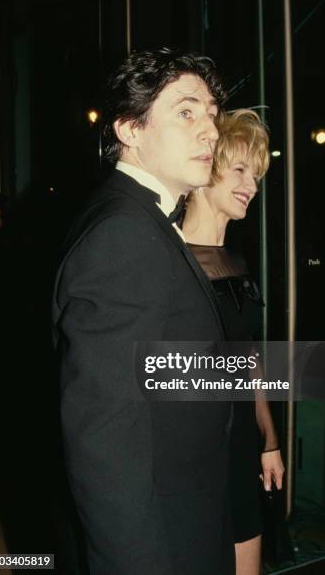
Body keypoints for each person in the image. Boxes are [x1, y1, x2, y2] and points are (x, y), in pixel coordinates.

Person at [52, 48, 235, 575]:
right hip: (158, 535)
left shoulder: (140, 220)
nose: (210, 131)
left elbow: (157, 366)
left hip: (183, 506)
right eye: (186, 111)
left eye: (211, 114)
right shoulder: (124, 234)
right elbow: (104, 436)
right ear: (130, 129)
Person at [182, 108, 285, 575]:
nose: (253, 186)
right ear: (207, 167)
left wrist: (269, 440)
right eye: (242, 169)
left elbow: (248, 361)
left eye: (257, 174)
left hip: (240, 441)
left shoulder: (235, 262)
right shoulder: (169, 257)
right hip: (189, 451)